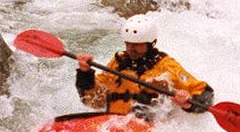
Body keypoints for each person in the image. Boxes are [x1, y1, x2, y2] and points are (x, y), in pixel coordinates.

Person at [74, 14, 215, 118]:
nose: (130, 48)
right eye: (128, 43)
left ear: (151, 43)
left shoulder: (166, 66)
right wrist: (85, 73)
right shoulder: (118, 62)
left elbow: (205, 94)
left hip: (147, 130)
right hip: (113, 125)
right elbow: (93, 100)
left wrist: (188, 102)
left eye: (137, 44)